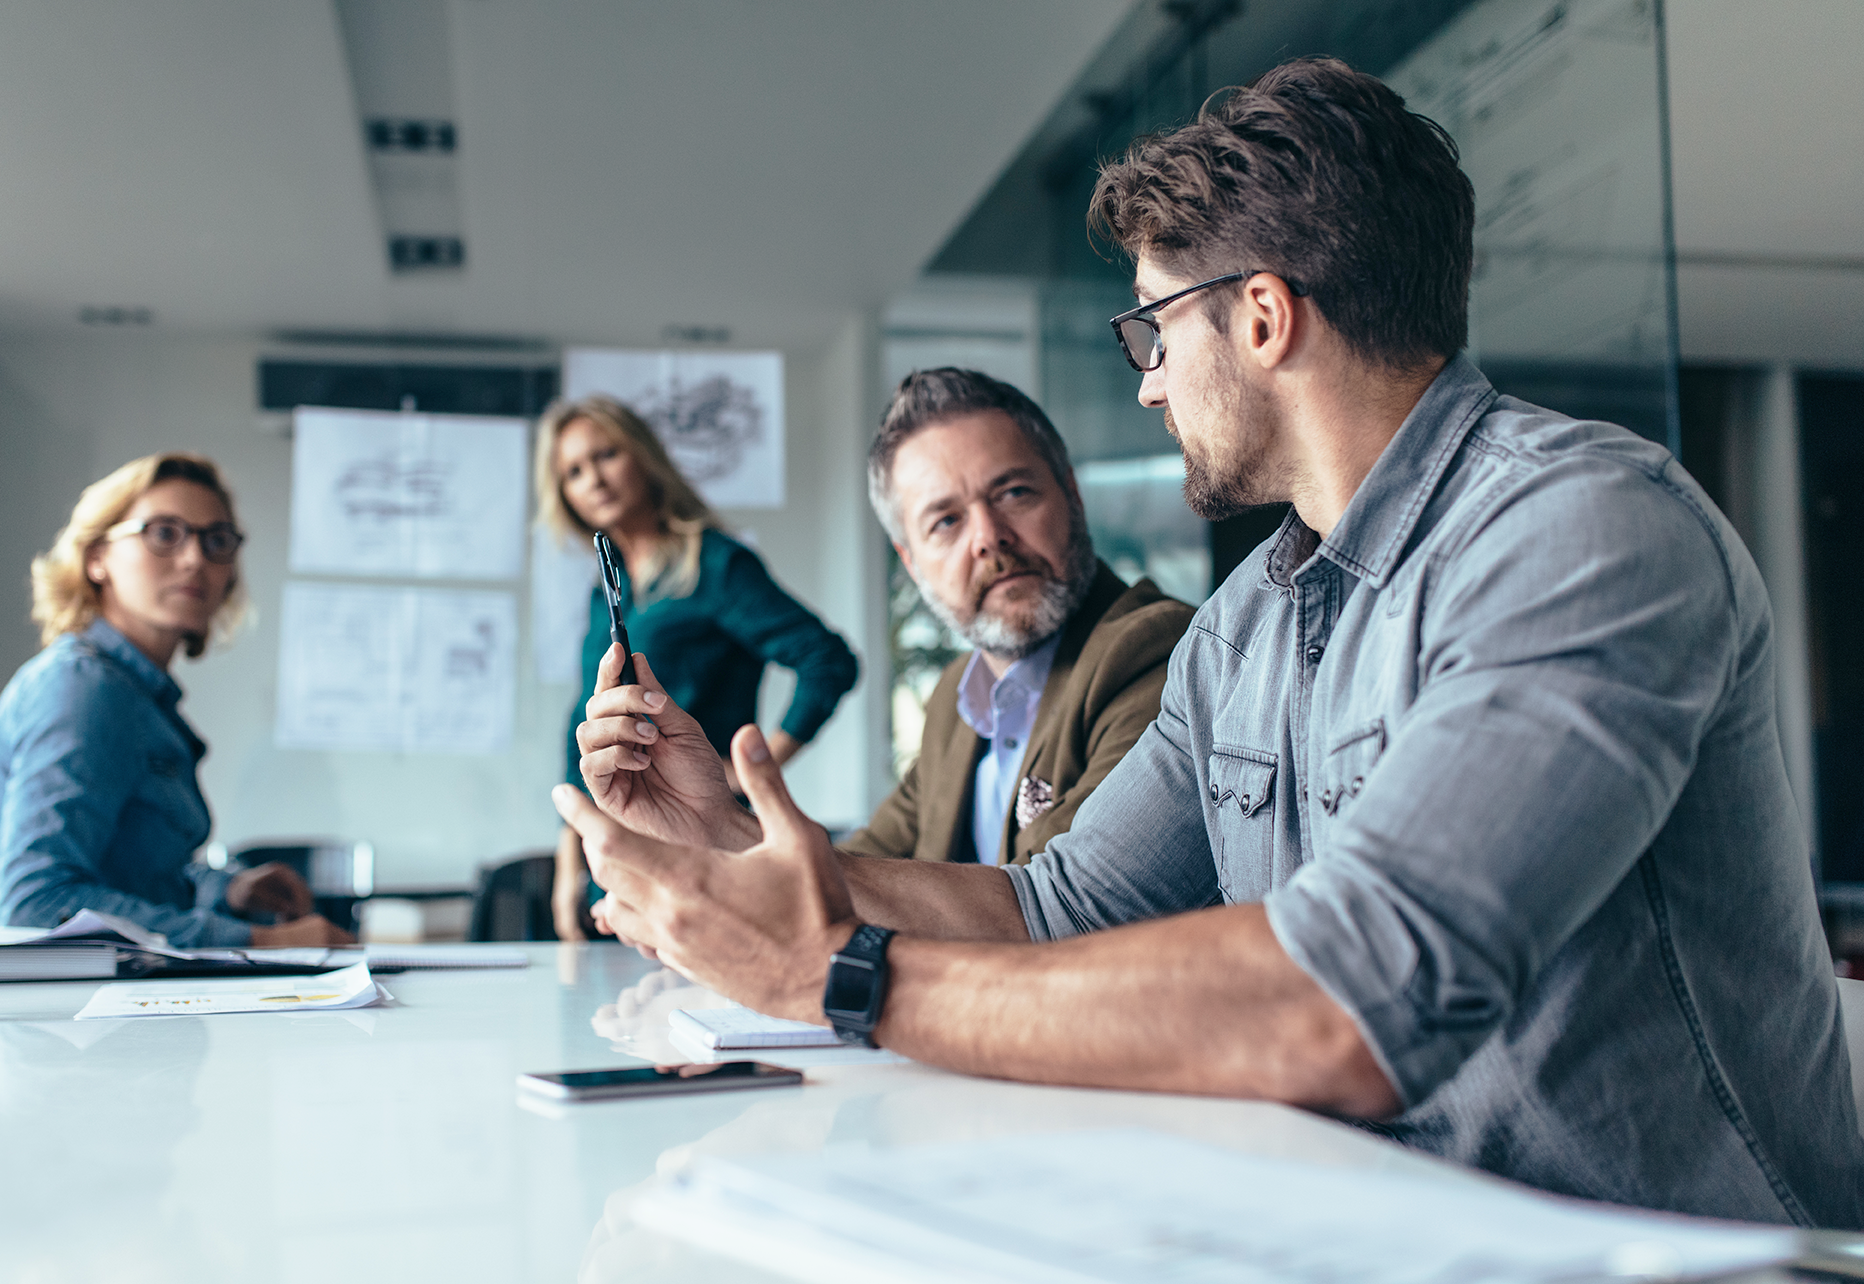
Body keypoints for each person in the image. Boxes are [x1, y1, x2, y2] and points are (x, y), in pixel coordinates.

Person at [556, 57, 1864, 1227]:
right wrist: (729, 838)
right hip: (1386, 1229)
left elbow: (1350, 999)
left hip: (1682, 1256)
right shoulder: (1245, 623)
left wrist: (846, 978)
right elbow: (1053, 910)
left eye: (1151, 327)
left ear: (1258, 317)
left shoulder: (1580, 532)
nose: (1143, 378)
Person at [581, 369, 1192, 889]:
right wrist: (702, 843)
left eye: (1012, 492)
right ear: (910, 560)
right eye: (945, 522)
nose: (988, 538)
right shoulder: (959, 698)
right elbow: (857, 870)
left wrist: (724, 829)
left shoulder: (1158, 653)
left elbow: (1052, 904)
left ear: (1072, 498)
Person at [0, 453, 354, 948]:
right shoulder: (83, 688)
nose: (195, 558)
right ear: (97, 557)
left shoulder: (135, 695)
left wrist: (230, 891)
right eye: (163, 533)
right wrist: (259, 941)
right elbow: (37, 905)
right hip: (78, 1017)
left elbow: (128, 879)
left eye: (216, 540)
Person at [536, 396, 859, 941]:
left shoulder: (716, 565)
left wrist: (755, 770)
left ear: (642, 456)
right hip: (611, 855)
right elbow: (585, 721)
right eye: (572, 471)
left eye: (606, 454)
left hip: (694, 841)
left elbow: (827, 660)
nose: (593, 478)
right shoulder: (605, 591)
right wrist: (570, 859)